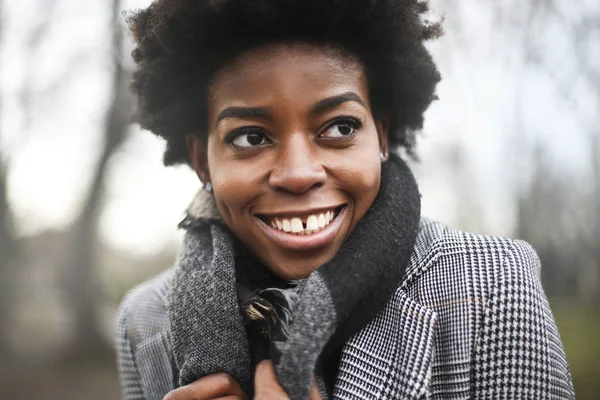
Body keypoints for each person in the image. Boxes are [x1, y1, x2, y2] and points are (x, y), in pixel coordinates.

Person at [116, 0, 575, 399]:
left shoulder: (493, 287)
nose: (298, 173)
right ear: (202, 159)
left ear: (382, 134)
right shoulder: (145, 321)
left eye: (340, 127)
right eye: (251, 136)